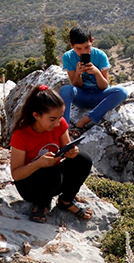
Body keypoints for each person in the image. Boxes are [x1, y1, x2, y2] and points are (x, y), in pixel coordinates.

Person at [10, 85, 93, 223]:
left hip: (54, 178)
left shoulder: (59, 125)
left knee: (83, 159)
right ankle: (41, 204)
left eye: (60, 117)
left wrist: (72, 153)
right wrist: (37, 164)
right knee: (51, 174)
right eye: (52, 119)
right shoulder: (21, 135)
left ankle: (66, 200)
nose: (58, 122)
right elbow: (16, 174)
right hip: (31, 185)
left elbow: (67, 148)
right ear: (36, 115)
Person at [60, 26, 128, 136]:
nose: (83, 52)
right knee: (66, 90)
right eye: (78, 48)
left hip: (100, 96)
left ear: (92, 41)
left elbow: (104, 86)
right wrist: (78, 73)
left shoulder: (100, 56)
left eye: (87, 47)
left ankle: (85, 121)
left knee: (122, 92)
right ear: (71, 45)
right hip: (82, 97)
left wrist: (97, 73)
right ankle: (64, 130)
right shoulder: (68, 57)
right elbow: (76, 85)